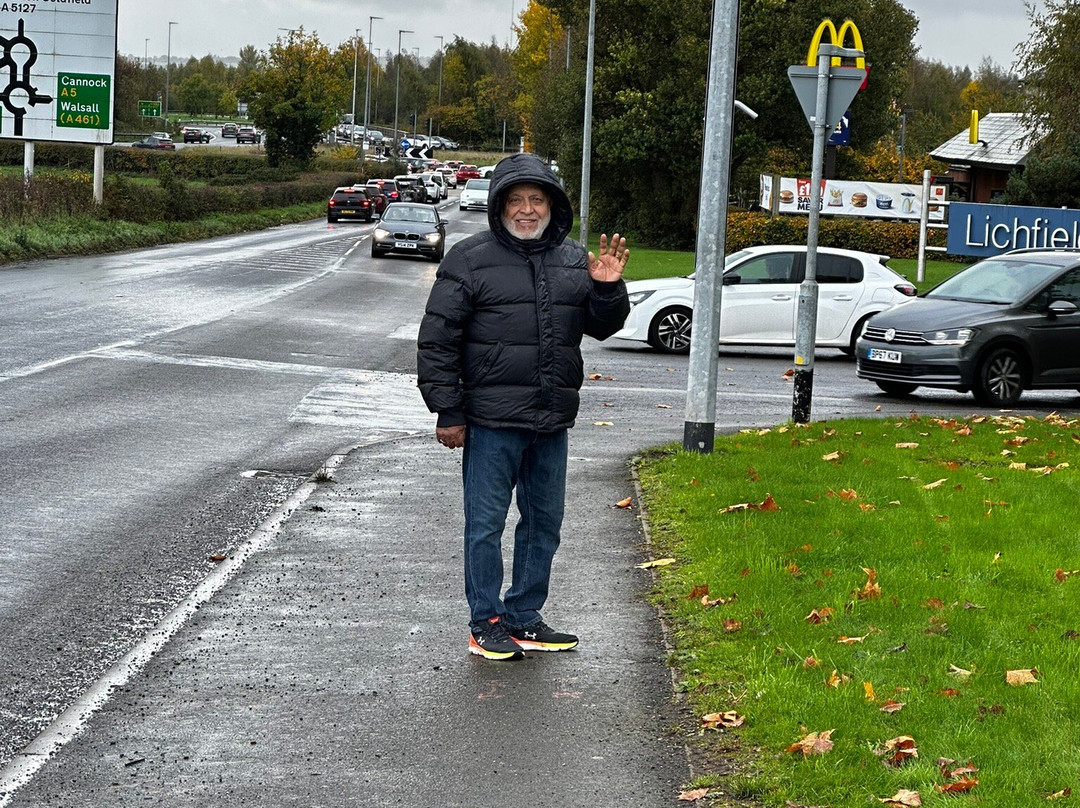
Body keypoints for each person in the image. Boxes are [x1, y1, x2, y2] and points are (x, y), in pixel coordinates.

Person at [417, 152, 630, 661]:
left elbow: (603, 326)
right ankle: (485, 622)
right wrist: (448, 410)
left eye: (537, 200)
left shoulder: (575, 259)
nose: (528, 210)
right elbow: (437, 340)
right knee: (485, 526)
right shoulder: (468, 259)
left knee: (543, 524)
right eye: (517, 200)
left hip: (550, 418)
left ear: (554, 206)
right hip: (490, 421)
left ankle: (524, 617)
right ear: (499, 207)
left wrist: (606, 288)